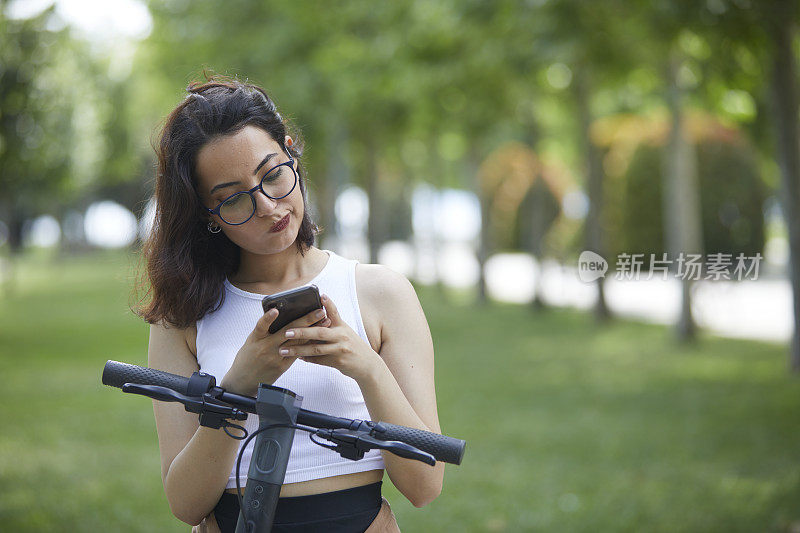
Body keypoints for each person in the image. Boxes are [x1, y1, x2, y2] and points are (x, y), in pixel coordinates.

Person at [137, 77, 444, 532]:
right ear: (207, 214)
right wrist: (239, 385)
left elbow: (424, 485)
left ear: (291, 151)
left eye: (272, 174)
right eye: (234, 198)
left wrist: (365, 367)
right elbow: (185, 503)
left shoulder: (380, 293)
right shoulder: (185, 315)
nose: (266, 206)